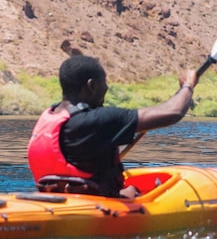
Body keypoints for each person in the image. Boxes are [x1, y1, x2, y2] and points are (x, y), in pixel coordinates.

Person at [27, 54, 198, 198]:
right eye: (104, 82)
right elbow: (173, 112)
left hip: (53, 199)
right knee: (134, 191)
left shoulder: (48, 117)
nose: (107, 87)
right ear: (92, 85)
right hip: (96, 206)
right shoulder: (99, 120)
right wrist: (188, 85)